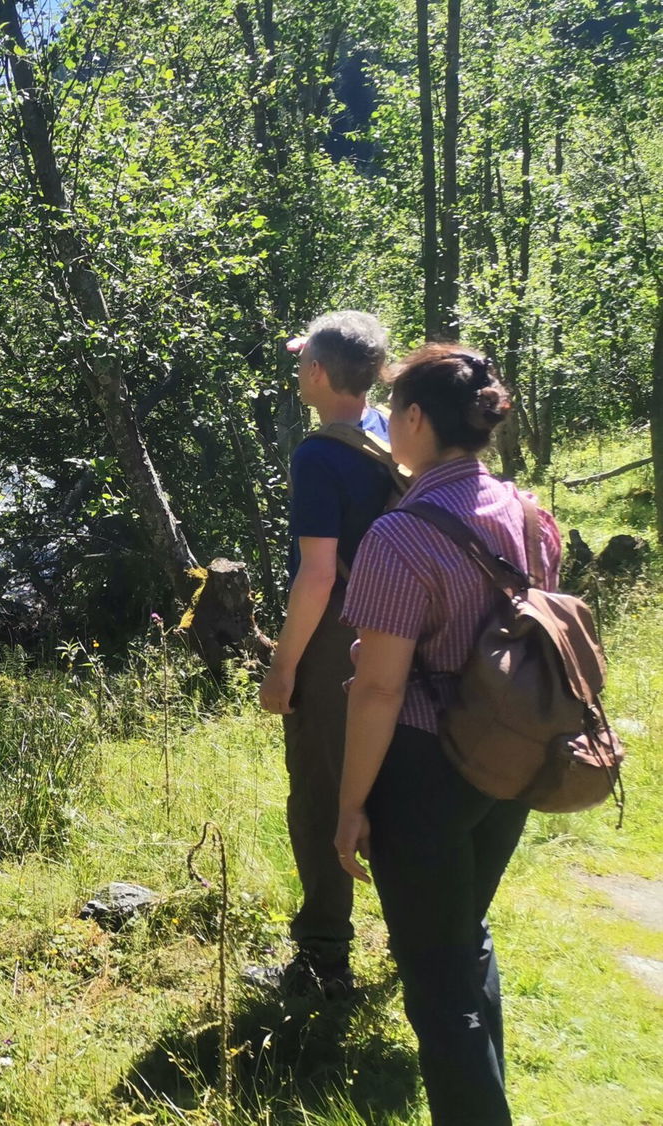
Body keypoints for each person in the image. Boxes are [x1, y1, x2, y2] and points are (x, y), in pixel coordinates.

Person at [335, 345, 560, 1126]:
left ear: (418, 419)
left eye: (391, 412)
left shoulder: (398, 539)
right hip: (514, 757)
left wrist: (350, 805)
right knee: (465, 937)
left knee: (436, 981)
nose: (386, 425)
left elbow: (379, 689)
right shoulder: (530, 513)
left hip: (426, 769)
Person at [247, 311, 396, 1000]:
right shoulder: (394, 433)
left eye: (302, 361)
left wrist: (283, 665)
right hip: (401, 634)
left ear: (315, 372)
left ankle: (323, 960)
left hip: (338, 642)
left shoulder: (317, 455)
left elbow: (316, 575)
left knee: (319, 794)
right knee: (393, 788)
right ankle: (417, 936)